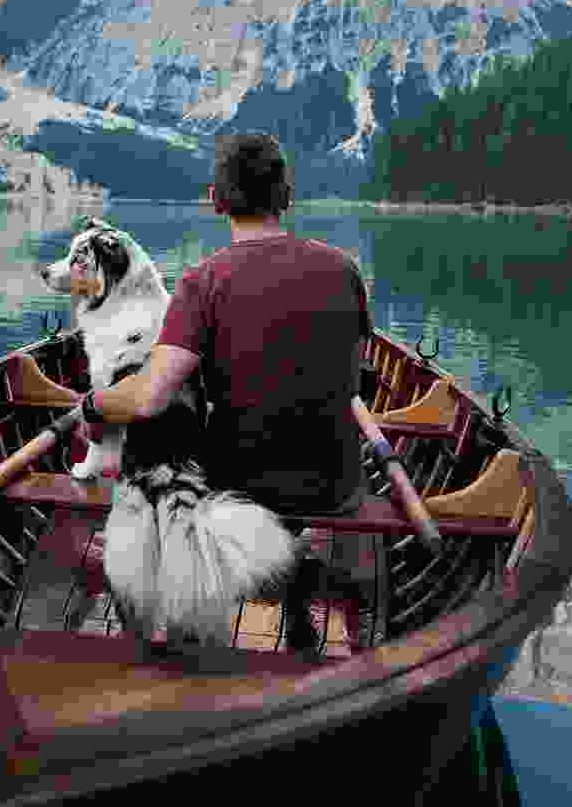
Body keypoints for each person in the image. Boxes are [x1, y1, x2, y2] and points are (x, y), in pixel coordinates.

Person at [78, 132, 374, 656]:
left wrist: (93, 406)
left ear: (215, 200)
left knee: (152, 471)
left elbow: (149, 398)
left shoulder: (202, 282)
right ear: (287, 195)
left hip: (238, 482)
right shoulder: (345, 270)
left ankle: (153, 634)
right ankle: (301, 583)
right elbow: (359, 375)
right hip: (337, 483)